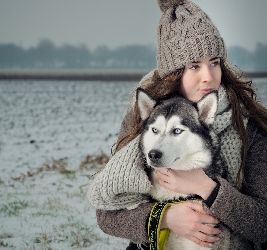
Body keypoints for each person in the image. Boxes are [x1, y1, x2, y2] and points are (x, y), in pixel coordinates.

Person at [87, 0, 267, 249]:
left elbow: (263, 223)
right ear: (174, 73)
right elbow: (107, 215)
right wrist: (166, 217)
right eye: (194, 66)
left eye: (214, 62)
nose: (209, 76)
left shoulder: (247, 123)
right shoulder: (146, 119)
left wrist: (207, 187)